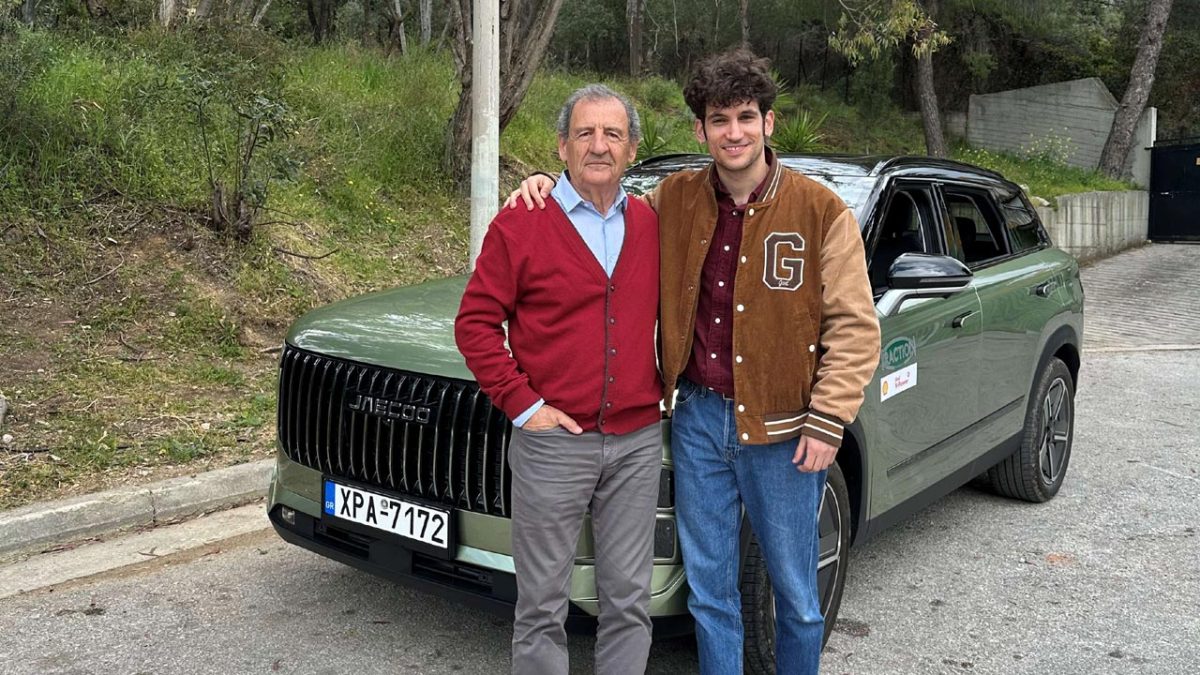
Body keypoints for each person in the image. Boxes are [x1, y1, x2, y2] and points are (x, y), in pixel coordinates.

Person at [505, 50, 881, 674]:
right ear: (700, 130)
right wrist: (548, 181)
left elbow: (855, 327)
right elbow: (600, 199)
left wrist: (829, 417)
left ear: (768, 123)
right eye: (718, 119)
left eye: (745, 117)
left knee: (795, 597)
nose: (733, 132)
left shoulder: (820, 212)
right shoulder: (673, 200)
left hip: (785, 431)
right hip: (698, 423)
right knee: (710, 596)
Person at [454, 84, 662, 675]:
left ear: (632, 148)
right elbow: (474, 324)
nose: (599, 145)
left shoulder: (651, 222)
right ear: (562, 146)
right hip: (552, 446)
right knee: (542, 605)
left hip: (636, 442)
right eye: (584, 133)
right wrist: (524, 406)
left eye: (613, 134)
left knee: (629, 601)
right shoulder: (522, 221)